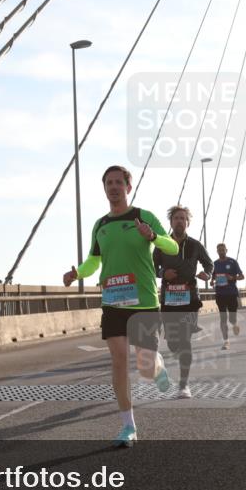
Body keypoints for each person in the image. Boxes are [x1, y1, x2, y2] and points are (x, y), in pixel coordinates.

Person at [63, 165, 179, 447]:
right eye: (109, 183)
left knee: (145, 366)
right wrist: (77, 272)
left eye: (118, 182)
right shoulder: (101, 225)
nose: (113, 187)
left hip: (144, 301)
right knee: (118, 361)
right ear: (104, 188)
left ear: (128, 187)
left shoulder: (144, 217)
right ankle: (129, 426)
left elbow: (172, 247)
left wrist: (152, 236)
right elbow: (94, 261)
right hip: (113, 301)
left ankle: (158, 366)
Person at [153, 205, 213, 399]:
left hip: (190, 298)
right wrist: (163, 273)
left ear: (187, 222)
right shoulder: (162, 245)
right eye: (176, 218)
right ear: (171, 222)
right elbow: (151, 267)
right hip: (169, 298)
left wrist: (208, 273)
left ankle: (183, 385)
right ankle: (169, 358)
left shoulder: (195, 245)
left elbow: (208, 263)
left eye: (183, 218)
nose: (179, 221)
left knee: (185, 340)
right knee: (172, 342)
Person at [212, 243, 244, 350]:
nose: (221, 252)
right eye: (219, 250)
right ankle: (226, 341)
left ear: (226, 250)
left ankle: (235, 324)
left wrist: (232, 277)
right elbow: (212, 277)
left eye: (223, 250)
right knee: (223, 318)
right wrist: (212, 281)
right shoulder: (215, 264)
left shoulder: (232, 262)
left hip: (231, 293)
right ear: (217, 251)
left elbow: (242, 276)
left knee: (231, 318)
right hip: (220, 294)